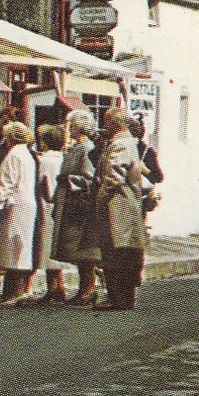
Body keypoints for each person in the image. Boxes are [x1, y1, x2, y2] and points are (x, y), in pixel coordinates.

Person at [89, 108, 148, 310]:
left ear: (116, 124)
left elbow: (114, 175)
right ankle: (121, 296)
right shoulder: (125, 142)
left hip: (118, 203)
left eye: (107, 121)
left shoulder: (121, 144)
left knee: (116, 252)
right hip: (122, 203)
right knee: (121, 252)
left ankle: (119, 297)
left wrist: (101, 196)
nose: (104, 125)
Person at [0, 122, 38, 306]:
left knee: (12, 248)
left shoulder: (14, 155)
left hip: (13, 204)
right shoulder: (27, 155)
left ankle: (12, 292)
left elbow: (7, 182)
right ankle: (16, 289)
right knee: (19, 248)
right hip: (26, 203)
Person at [53, 109, 102, 305]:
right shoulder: (75, 147)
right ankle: (84, 288)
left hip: (80, 205)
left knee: (85, 250)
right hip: (70, 203)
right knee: (76, 250)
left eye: (71, 126)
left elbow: (90, 178)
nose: (69, 130)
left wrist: (69, 179)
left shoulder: (87, 148)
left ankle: (88, 289)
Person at [32, 124, 68, 304]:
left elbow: (41, 182)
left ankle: (53, 287)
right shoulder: (64, 158)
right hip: (61, 205)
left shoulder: (44, 161)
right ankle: (59, 285)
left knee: (46, 246)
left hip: (46, 204)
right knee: (56, 244)